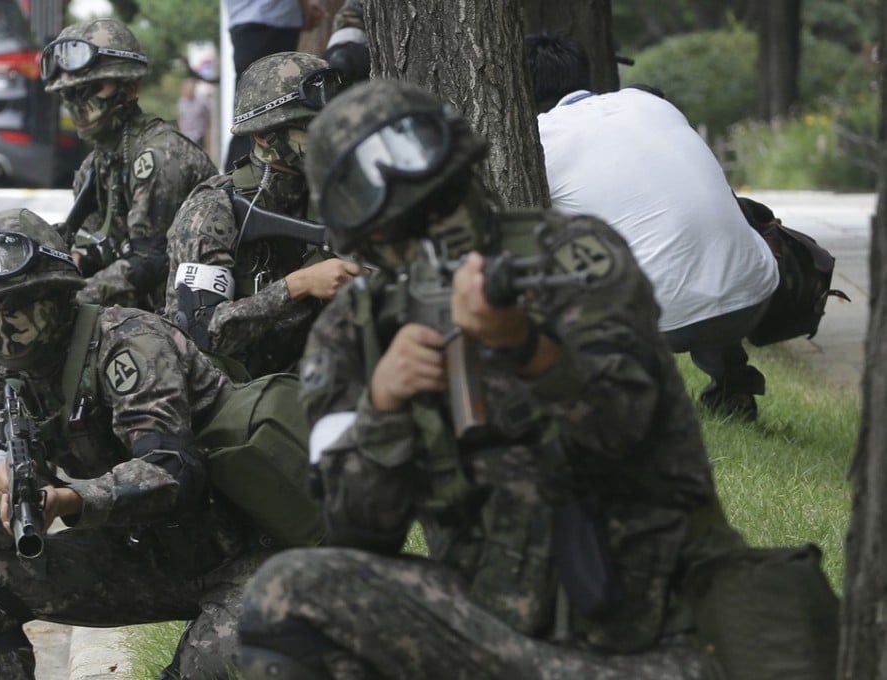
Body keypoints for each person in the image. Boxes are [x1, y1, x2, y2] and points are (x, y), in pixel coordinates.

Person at [235, 79, 745, 679]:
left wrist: (524, 345)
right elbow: (357, 531)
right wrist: (383, 404)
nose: (435, 229)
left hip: (658, 634)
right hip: (493, 629)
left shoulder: (575, 259)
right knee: (286, 596)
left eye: (444, 198)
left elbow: (629, 427)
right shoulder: (356, 332)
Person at [0, 208, 321, 679]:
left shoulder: (128, 342)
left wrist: (73, 500)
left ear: (55, 296)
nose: (2, 329)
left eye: (13, 307)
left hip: (244, 552)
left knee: (214, 666)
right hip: (147, 556)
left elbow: (172, 473)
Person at [527, 34, 779, 420]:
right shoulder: (648, 103)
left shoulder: (536, 141)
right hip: (754, 292)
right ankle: (733, 387)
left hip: (658, 324)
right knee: (691, 247)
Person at [165, 51, 360, 379]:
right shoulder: (214, 210)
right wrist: (298, 285)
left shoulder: (338, 196)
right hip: (238, 396)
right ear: (264, 136)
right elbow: (201, 331)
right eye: (314, 129)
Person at [42, 18, 218, 313]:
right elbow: (99, 248)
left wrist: (74, 300)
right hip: (141, 313)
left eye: (91, 88)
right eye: (69, 93)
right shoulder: (95, 166)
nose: (78, 103)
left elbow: (150, 263)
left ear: (131, 87)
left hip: (188, 316)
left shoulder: (161, 155)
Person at [222, 0, 326, 169]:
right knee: (269, 117)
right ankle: (246, 182)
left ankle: (238, 181)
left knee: (250, 116)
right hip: (273, 20)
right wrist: (305, 8)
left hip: (243, 24)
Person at [177, 77, 212, 150]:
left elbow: (207, 121)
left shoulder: (202, 103)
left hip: (199, 136)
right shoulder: (181, 102)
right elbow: (181, 119)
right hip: (186, 137)